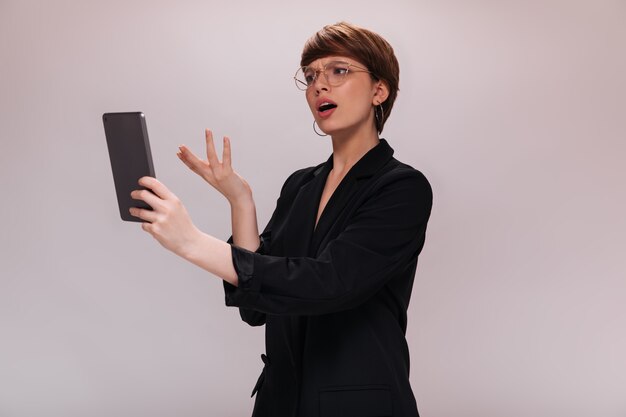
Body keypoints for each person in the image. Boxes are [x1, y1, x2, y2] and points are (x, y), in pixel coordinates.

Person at [130, 21, 432, 417]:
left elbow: (329, 284)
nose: (319, 85)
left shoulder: (403, 187)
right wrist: (241, 202)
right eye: (310, 76)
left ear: (379, 89)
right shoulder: (301, 185)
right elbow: (257, 307)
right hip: (281, 402)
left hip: (358, 404)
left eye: (338, 70)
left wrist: (193, 242)